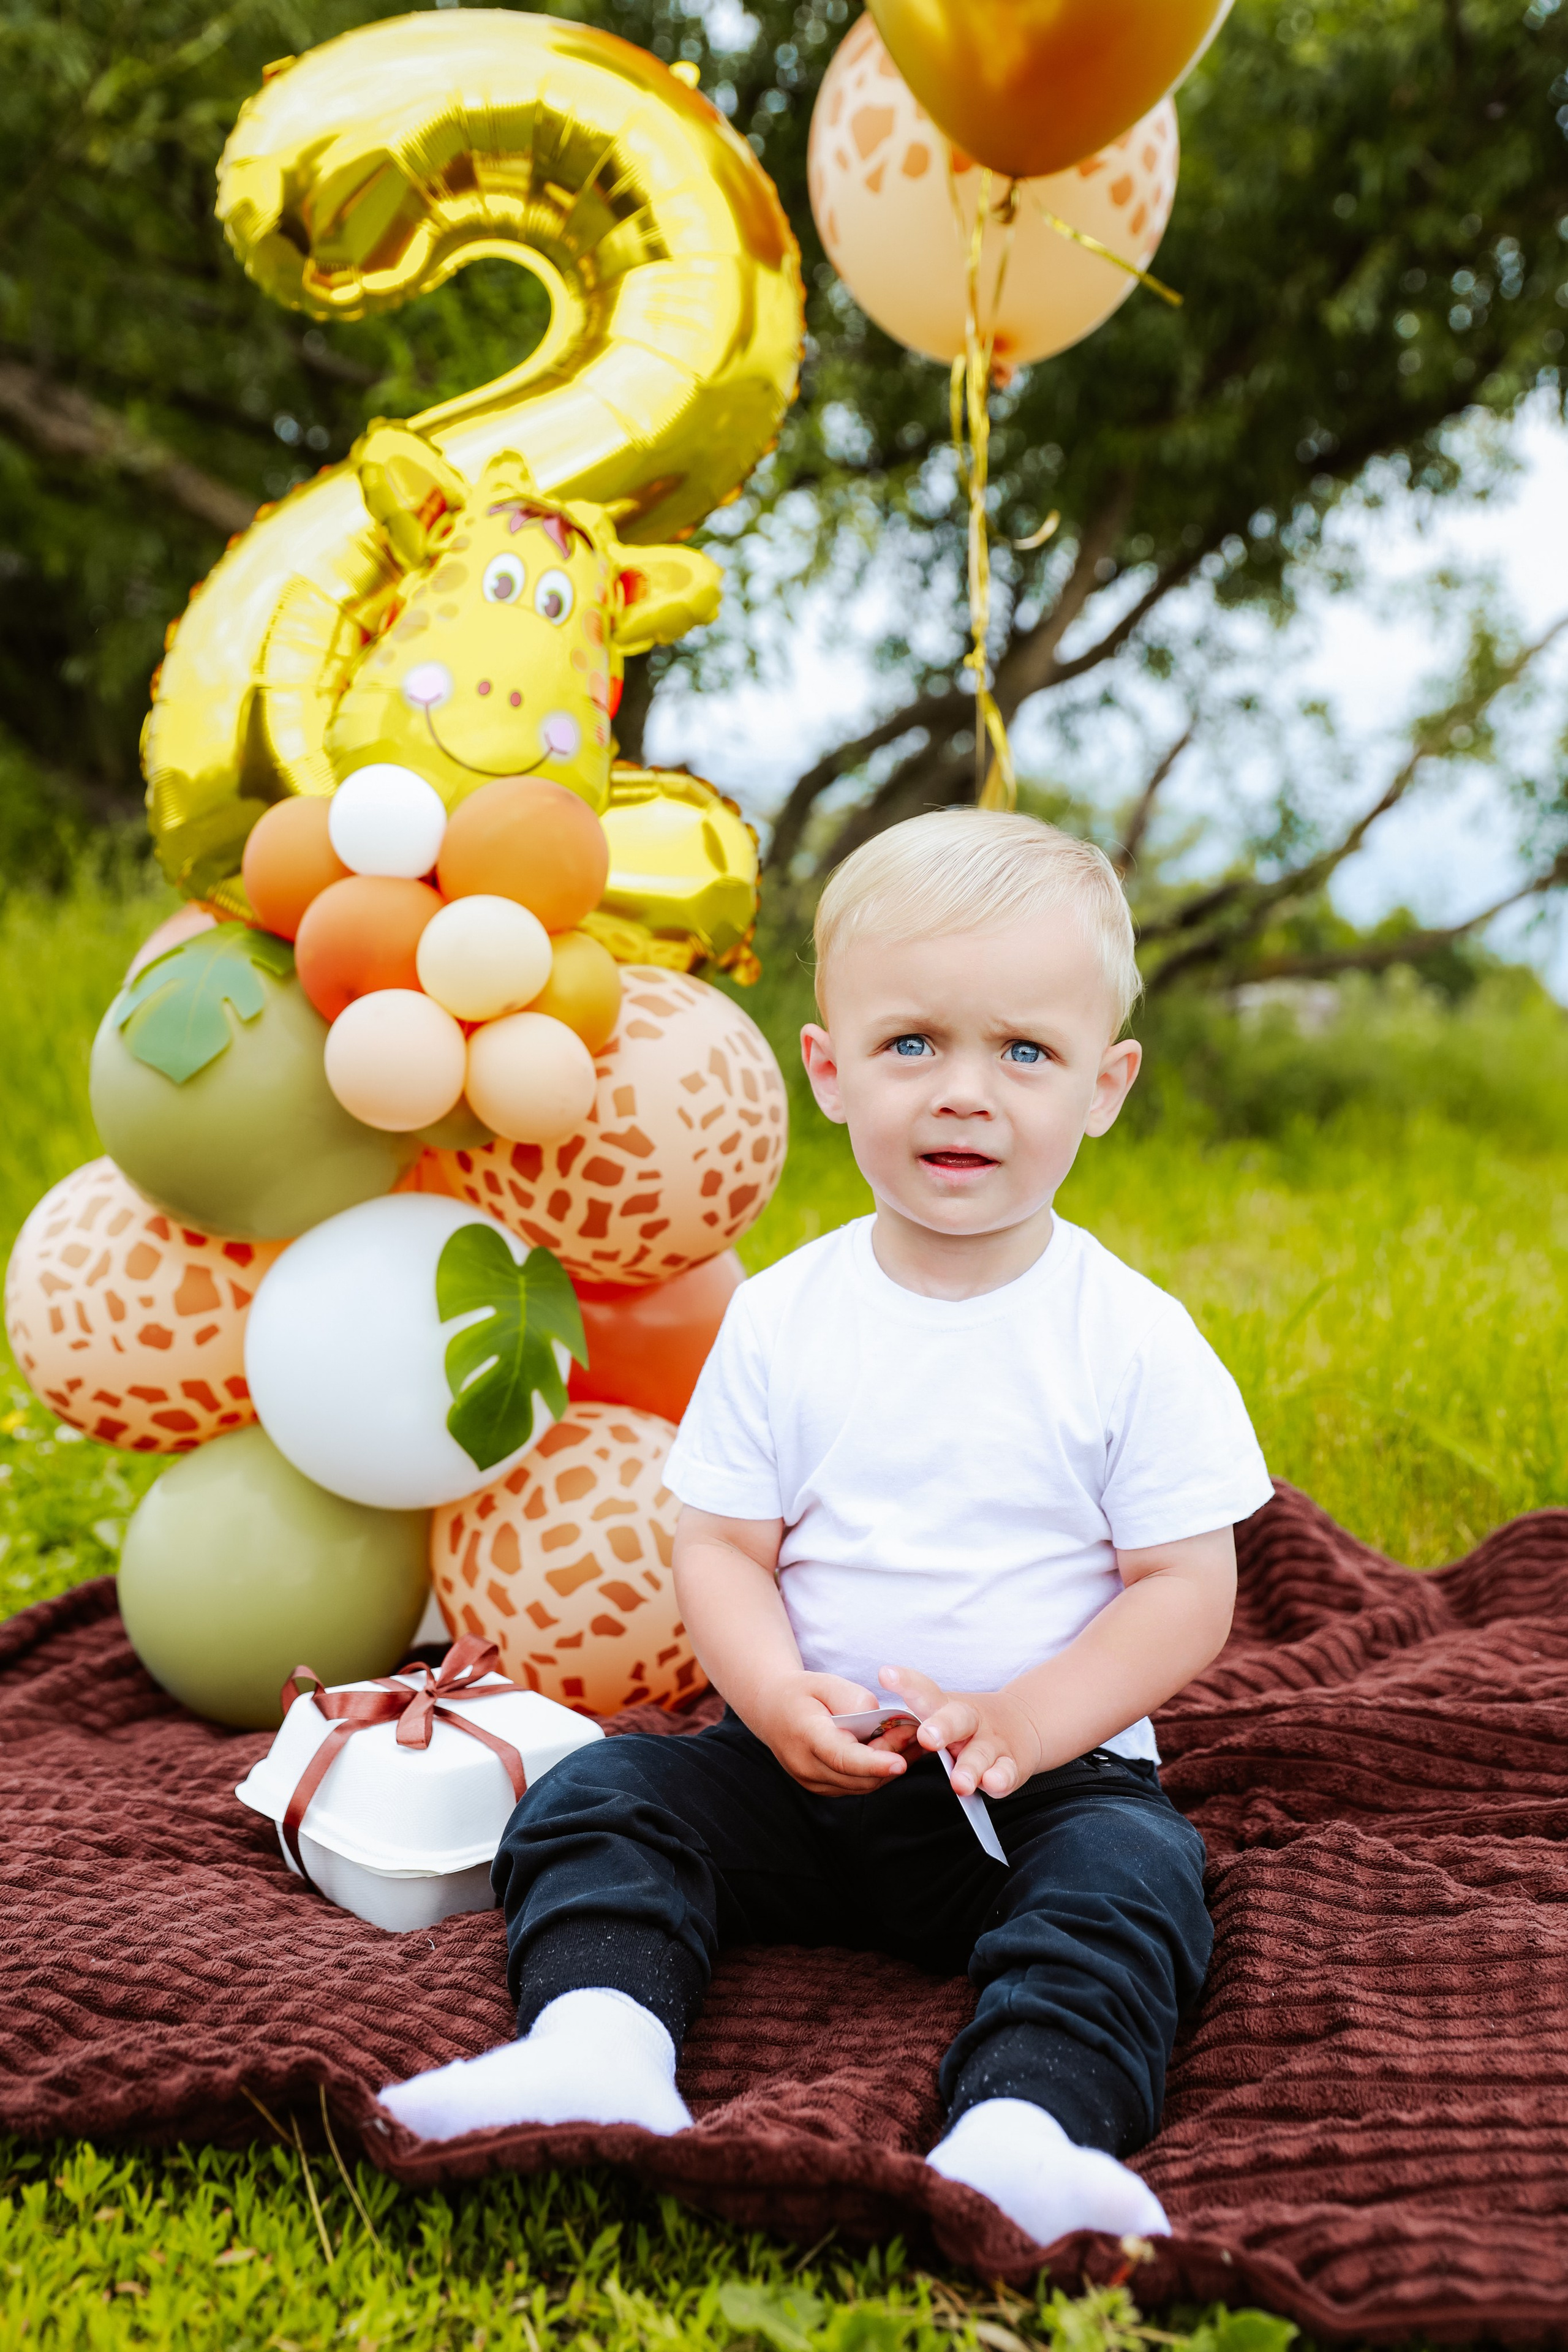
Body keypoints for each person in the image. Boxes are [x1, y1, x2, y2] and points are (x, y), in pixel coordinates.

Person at [381, 809, 1273, 2247]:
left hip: (1038, 1790)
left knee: (1142, 1881)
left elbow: (1184, 1589)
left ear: (1103, 1088)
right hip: (811, 1766)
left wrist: (1030, 1719)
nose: (963, 1094)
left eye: (1023, 1053)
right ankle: (598, 2046)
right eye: (912, 1043)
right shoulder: (785, 1315)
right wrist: (772, 1693)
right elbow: (722, 1548)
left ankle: (1023, 2128)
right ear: (829, 1070)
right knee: (601, 1793)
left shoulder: (1129, 1338)